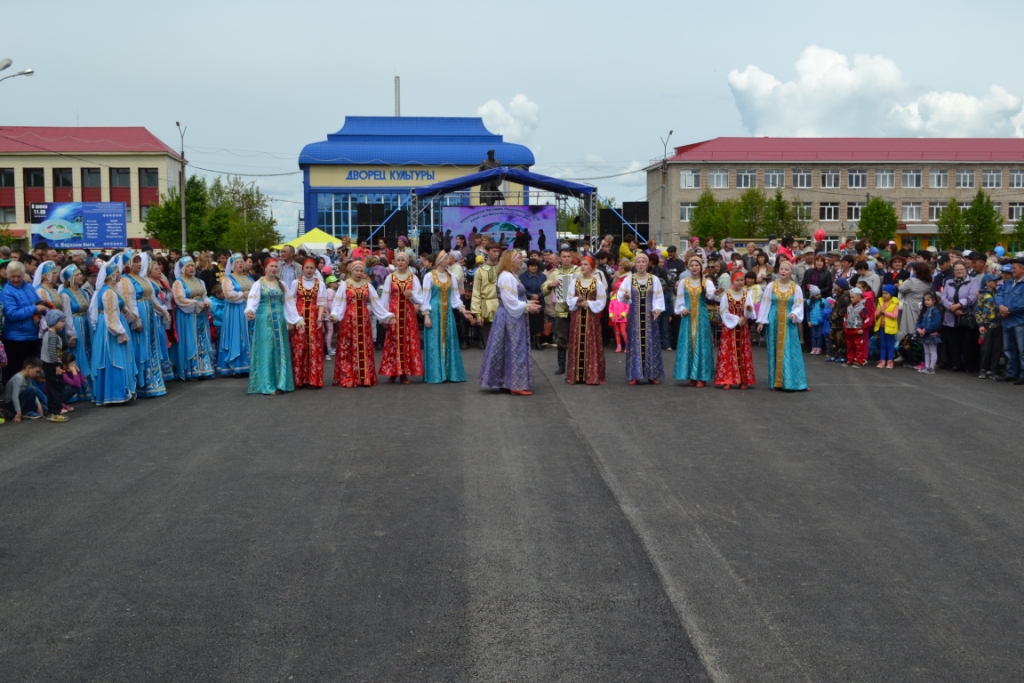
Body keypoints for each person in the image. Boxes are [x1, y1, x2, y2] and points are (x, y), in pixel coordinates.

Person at [478, 249, 539, 396]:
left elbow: (514, 297)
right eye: (519, 260)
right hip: (510, 317)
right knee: (514, 348)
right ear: (512, 262)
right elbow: (510, 301)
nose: (521, 262)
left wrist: (528, 302)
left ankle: (506, 381)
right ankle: (515, 384)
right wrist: (526, 306)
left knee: (507, 348)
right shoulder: (506, 277)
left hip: (510, 315)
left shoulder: (510, 276)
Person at [329, 260, 393, 387]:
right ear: (351, 271)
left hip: (363, 320)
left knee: (363, 346)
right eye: (356, 271)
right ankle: (348, 376)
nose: (359, 273)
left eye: (361, 271)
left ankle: (364, 377)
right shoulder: (345, 285)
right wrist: (335, 314)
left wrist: (386, 315)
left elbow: (376, 303)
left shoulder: (368, 286)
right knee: (348, 347)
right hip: (348, 320)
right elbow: (339, 302)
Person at [244, 259, 303, 395]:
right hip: (264, 321)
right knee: (267, 351)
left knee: (280, 349)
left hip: (280, 320)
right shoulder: (258, 284)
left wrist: (296, 319)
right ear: (265, 268)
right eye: (271, 266)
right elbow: (252, 302)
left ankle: (281, 383)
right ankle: (267, 385)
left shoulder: (281, 284)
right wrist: (250, 311)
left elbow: (289, 304)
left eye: (276, 266)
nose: (274, 268)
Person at [120, 252, 169, 398]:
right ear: (128, 263)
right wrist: (136, 320)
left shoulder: (142, 279)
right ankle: (142, 384)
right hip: (140, 316)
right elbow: (129, 302)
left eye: (139, 261)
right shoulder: (125, 280)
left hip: (150, 316)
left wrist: (163, 311)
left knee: (151, 346)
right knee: (140, 346)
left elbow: (152, 298)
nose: (139, 264)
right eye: (135, 261)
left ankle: (154, 382)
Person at [420, 251, 474, 384]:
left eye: (447, 258)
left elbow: (455, 298)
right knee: (434, 342)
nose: (448, 260)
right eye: (445, 258)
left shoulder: (452, 277)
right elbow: (425, 298)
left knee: (449, 340)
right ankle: (436, 374)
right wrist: (426, 315)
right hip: (434, 312)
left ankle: (450, 373)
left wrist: (463, 309)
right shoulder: (429, 276)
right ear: (439, 261)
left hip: (448, 313)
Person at [89, 261, 138, 405]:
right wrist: (120, 332)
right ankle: (116, 392)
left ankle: (114, 392)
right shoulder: (109, 292)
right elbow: (110, 316)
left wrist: (123, 310)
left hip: (112, 325)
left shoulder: (109, 290)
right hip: (111, 329)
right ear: (111, 275)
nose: (119, 274)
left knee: (112, 358)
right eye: (117, 272)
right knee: (114, 358)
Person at [755, 260, 807, 390]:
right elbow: (766, 304)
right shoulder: (771, 286)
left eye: (786, 269)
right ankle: (776, 381)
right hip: (774, 321)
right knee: (775, 349)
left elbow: (798, 305)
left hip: (788, 321)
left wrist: (795, 313)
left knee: (789, 349)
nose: (783, 271)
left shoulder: (796, 288)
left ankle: (790, 381)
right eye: (781, 269)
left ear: (791, 272)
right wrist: (762, 321)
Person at [616, 252, 665, 385]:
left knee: (651, 342)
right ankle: (635, 374)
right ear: (635, 264)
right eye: (638, 262)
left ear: (647, 263)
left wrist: (657, 309)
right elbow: (620, 295)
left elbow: (659, 297)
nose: (641, 264)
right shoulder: (629, 279)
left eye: (643, 261)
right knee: (635, 342)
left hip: (649, 316)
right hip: (635, 316)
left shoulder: (654, 279)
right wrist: (626, 297)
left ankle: (652, 374)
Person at [378, 251, 424, 384]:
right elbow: (385, 297)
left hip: (408, 314)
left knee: (406, 342)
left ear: (407, 262)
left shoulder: (413, 278)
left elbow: (420, 297)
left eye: (403, 260)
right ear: (395, 262)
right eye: (398, 260)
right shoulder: (390, 278)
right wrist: (384, 317)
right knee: (393, 341)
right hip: (394, 314)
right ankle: (392, 372)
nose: (400, 263)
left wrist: (412, 295)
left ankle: (404, 373)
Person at [1, 261, 46, 386]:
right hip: (16, 338)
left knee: (33, 372)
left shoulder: (29, 287)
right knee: (18, 372)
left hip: (32, 335)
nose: (16, 279)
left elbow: (37, 302)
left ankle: (33, 400)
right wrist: (33, 309)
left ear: (23, 274)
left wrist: (42, 306)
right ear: (7, 275)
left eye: (19, 276)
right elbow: (11, 314)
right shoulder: (7, 292)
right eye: (12, 276)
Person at [674, 256, 716, 387]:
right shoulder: (683, 282)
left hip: (701, 316)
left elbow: (710, 295)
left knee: (701, 344)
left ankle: (702, 376)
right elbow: (679, 300)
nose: (694, 267)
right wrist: (682, 309)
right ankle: (691, 375)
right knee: (688, 344)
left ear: (701, 267)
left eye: (696, 265)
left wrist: (714, 292)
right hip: (687, 317)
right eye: (691, 265)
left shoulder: (706, 282)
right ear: (688, 267)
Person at [171, 256, 215, 381]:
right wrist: (196, 304)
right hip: (187, 316)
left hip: (201, 314)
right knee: (190, 339)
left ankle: (204, 368)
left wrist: (206, 302)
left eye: (192, 265)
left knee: (202, 339)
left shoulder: (199, 281)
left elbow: (205, 295)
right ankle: (191, 369)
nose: (191, 268)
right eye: (188, 266)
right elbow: (179, 299)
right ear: (183, 269)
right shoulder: (179, 282)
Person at [565, 256, 607, 385]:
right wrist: (576, 301)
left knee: (591, 342)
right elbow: (568, 299)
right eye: (581, 264)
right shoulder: (575, 282)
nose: (582, 267)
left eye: (585, 264)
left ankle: (592, 375)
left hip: (591, 318)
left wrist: (587, 303)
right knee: (577, 342)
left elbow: (602, 301)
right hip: (577, 318)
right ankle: (576, 375)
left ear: (592, 267)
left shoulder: (597, 283)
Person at [714, 270, 756, 390]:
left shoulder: (746, 294)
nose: (739, 282)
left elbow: (751, 311)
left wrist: (747, 311)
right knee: (729, 353)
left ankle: (743, 379)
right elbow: (723, 312)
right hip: (730, 328)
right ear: (732, 281)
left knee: (743, 352)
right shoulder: (726, 295)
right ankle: (728, 379)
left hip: (742, 327)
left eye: (741, 280)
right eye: (737, 280)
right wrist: (736, 319)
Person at [289, 259, 328, 388]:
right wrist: (293, 319)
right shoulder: (296, 282)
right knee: (299, 348)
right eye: (307, 268)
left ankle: (313, 379)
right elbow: (291, 302)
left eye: (312, 268)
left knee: (313, 348)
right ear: (303, 269)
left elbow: (322, 302)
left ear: (315, 269)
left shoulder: (320, 283)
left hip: (313, 318)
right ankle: (299, 379)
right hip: (299, 319)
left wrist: (319, 319)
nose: (309, 270)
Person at [58, 264, 93, 402]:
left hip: (86, 324)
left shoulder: (84, 292)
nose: (81, 277)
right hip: (76, 325)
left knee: (88, 353)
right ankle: (78, 389)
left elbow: (89, 311)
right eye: (78, 275)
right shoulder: (65, 294)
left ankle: (89, 387)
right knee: (78, 355)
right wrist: (71, 334)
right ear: (71, 278)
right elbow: (66, 315)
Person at [542, 247, 580, 375]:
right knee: (562, 336)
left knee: (577, 337)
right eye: (564, 256)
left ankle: (576, 365)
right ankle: (561, 365)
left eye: (569, 256)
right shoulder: (555, 273)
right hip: (561, 309)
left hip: (577, 309)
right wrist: (550, 285)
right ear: (559, 258)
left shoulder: (579, 270)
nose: (567, 259)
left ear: (572, 257)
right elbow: (543, 288)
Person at [217, 254, 254, 377]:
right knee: (237, 334)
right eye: (238, 262)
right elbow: (229, 295)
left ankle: (249, 365)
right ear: (232, 265)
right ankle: (237, 365)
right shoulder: (228, 279)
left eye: (242, 262)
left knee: (249, 334)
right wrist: (243, 294)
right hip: (235, 310)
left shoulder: (249, 278)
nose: (240, 264)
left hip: (248, 309)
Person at [940, 262, 980, 374]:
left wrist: (959, 305)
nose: (959, 271)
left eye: (961, 269)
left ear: (966, 270)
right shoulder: (948, 282)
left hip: (966, 316)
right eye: (956, 270)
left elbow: (973, 296)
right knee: (953, 343)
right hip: (951, 316)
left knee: (967, 343)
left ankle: (968, 366)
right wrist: (951, 307)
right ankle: (956, 364)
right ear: (953, 271)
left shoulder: (973, 281)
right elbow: (943, 298)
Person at [995, 259, 1024, 384]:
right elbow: (999, 295)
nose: (1012, 271)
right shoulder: (1008, 282)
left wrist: (1009, 310)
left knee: (1022, 351)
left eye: (1014, 268)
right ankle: (1011, 373)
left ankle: (1022, 375)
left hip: (1019, 321)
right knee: (1008, 349)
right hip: (1007, 321)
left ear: (1022, 269)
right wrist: (1001, 307)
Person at [39, 310, 70, 422]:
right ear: (54, 322)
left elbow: (57, 352)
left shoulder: (49, 334)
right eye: (62, 321)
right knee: (57, 388)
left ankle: (52, 412)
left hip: (51, 364)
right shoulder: (52, 336)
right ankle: (55, 412)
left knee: (53, 388)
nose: (63, 324)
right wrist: (57, 366)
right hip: (52, 366)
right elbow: (53, 353)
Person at [470, 241, 501, 348]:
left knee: (502, 343)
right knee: (489, 344)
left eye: (498, 251)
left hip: (501, 307)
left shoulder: (502, 269)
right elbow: (476, 293)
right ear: (487, 251)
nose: (496, 254)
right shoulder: (480, 271)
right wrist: (477, 314)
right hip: (486, 307)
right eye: (494, 251)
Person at [975, 274, 1004, 379]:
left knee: (996, 348)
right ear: (987, 283)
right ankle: (983, 368)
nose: (996, 282)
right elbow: (978, 311)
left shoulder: (999, 294)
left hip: (998, 324)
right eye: (993, 281)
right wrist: (980, 325)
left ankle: (994, 370)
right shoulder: (983, 295)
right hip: (987, 324)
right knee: (986, 348)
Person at [897, 262, 931, 344]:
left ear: (916, 271)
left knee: (907, 328)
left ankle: (906, 348)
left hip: (910, 307)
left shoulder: (911, 281)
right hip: (922, 307)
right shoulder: (929, 282)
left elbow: (901, 288)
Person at [3, 356, 45, 422]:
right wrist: (18, 412)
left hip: (21, 401)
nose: (38, 374)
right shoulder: (19, 378)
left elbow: (33, 394)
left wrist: (39, 406)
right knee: (32, 389)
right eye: (37, 372)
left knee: (44, 409)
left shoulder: (28, 378)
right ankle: (27, 412)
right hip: (11, 404)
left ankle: (13, 414)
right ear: (29, 368)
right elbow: (14, 396)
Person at [519, 257, 546, 350]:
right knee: (528, 323)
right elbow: (521, 289)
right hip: (527, 301)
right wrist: (531, 295)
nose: (534, 268)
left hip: (539, 302)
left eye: (535, 266)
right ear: (528, 267)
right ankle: (528, 342)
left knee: (538, 323)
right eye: (531, 266)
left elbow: (546, 289)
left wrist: (539, 295)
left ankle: (538, 342)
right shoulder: (522, 277)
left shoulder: (543, 276)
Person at [608, 258, 632, 353]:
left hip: (623, 303)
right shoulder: (619, 276)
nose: (618, 268)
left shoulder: (628, 277)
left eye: (620, 267)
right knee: (617, 331)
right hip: (615, 302)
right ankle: (619, 345)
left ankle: (627, 346)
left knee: (623, 331)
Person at [916, 292, 943, 374]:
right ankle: (927, 366)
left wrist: (925, 330)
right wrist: (918, 329)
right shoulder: (925, 311)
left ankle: (932, 367)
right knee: (926, 352)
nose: (926, 302)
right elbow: (919, 321)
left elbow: (935, 323)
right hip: (924, 334)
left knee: (932, 351)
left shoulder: (936, 311)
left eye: (928, 300)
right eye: (925, 300)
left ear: (934, 300)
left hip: (932, 335)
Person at [874, 285, 900, 369]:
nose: (884, 295)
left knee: (890, 345)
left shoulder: (895, 303)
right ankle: (882, 360)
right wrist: (879, 313)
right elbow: (876, 313)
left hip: (890, 327)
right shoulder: (880, 302)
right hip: (881, 327)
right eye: (883, 293)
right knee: (882, 344)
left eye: (886, 293)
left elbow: (895, 315)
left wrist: (884, 312)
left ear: (891, 294)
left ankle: (890, 361)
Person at [843, 287, 867, 368]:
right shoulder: (849, 307)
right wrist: (845, 326)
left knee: (859, 347)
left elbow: (866, 319)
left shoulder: (862, 308)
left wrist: (862, 329)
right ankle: (850, 360)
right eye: (850, 297)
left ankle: (859, 361)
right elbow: (845, 317)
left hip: (857, 330)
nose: (851, 299)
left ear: (859, 297)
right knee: (850, 346)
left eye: (853, 297)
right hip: (849, 329)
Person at [807, 285, 825, 354]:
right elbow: (807, 312)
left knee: (819, 335)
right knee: (813, 335)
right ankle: (813, 347)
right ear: (813, 295)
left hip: (820, 321)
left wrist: (823, 319)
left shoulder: (822, 301)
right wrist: (808, 321)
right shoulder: (809, 302)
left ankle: (819, 347)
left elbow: (825, 311)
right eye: (817, 295)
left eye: (819, 294)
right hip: (812, 321)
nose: (819, 296)